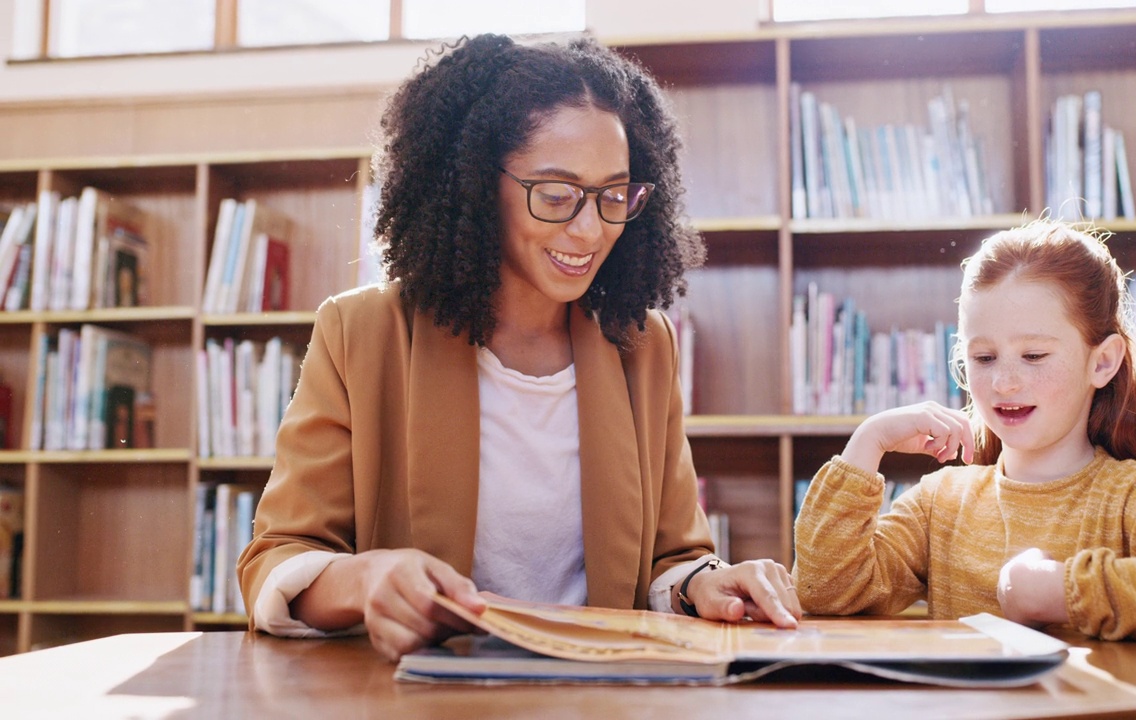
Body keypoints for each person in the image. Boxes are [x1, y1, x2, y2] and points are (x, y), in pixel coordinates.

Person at [237, 33, 800, 662]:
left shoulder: (641, 345)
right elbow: (277, 560)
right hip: (424, 698)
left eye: (615, 196)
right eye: (556, 196)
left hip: (599, 695)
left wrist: (705, 582)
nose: (589, 229)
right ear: (476, 185)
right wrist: (367, 579)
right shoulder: (363, 334)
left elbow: (672, 558)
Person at [794, 220, 1136, 643]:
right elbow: (822, 592)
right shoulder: (940, 503)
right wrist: (867, 442)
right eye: (983, 358)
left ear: (1102, 361)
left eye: (1034, 356)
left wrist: (1056, 591)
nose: (1004, 382)